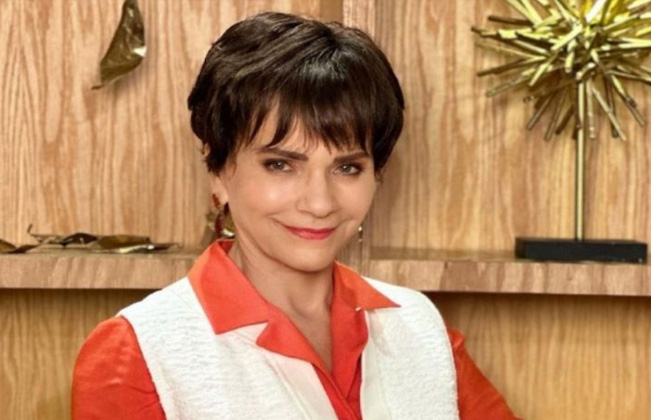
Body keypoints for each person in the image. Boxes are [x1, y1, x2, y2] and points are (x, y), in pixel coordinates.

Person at [72, 12, 520, 420]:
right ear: (218, 171)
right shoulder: (139, 351)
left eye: (348, 168)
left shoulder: (419, 327)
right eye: (281, 165)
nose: (320, 203)